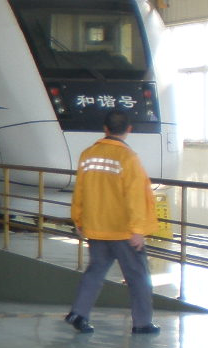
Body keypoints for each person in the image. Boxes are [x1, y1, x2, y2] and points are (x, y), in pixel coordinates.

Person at [65, 109, 160, 335]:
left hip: (96, 227)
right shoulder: (128, 157)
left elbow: (80, 190)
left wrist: (78, 219)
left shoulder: (88, 155)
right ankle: (142, 323)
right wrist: (137, 229)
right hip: (123, 231)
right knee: (138, 277)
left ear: (105, 129)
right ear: (129, 129)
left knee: (95, 271)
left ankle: (79, 312)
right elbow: (135, 196)